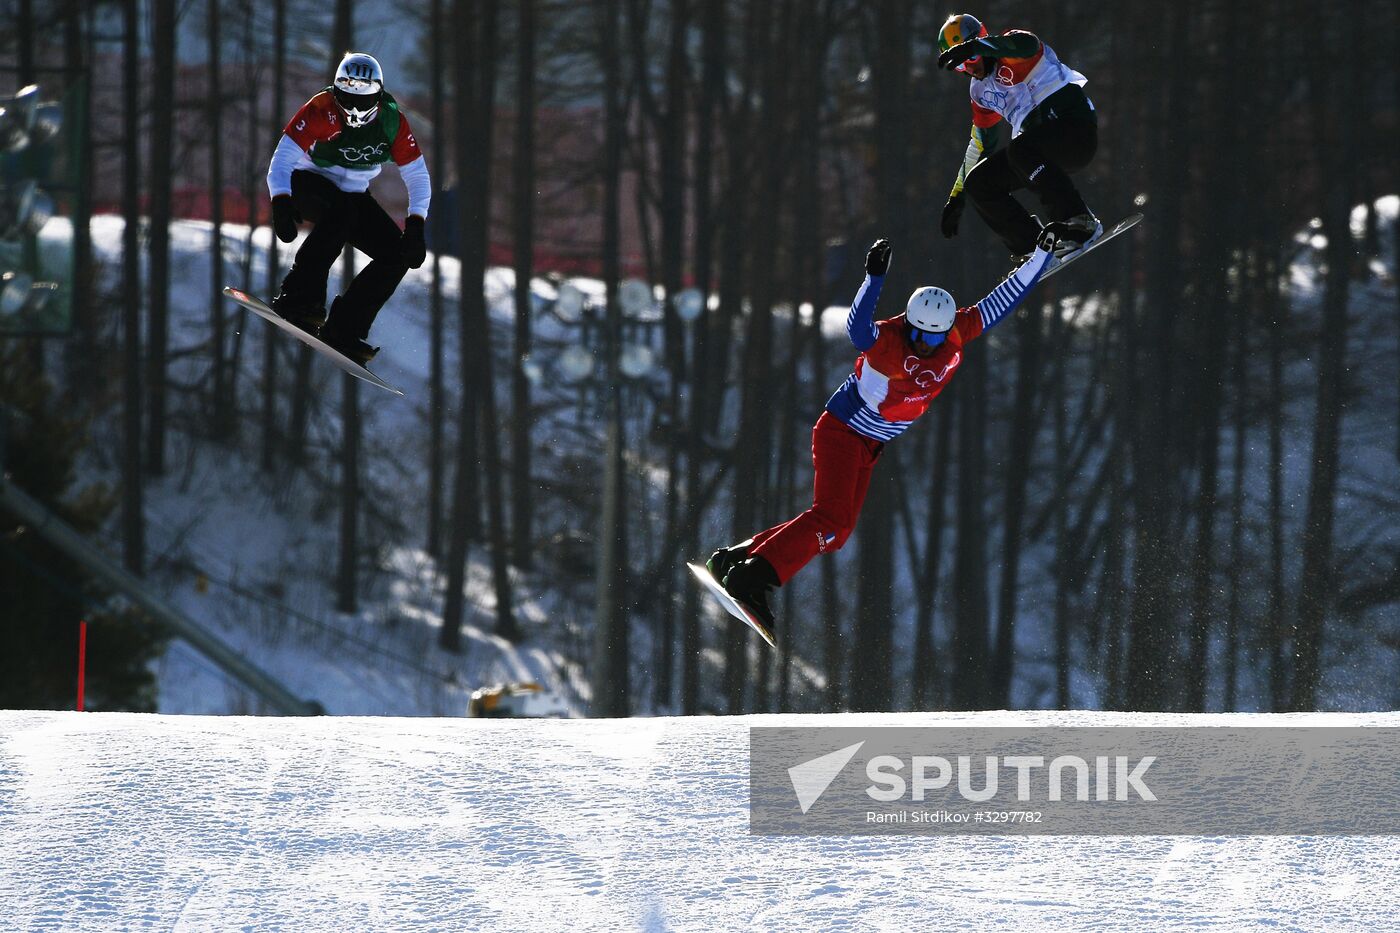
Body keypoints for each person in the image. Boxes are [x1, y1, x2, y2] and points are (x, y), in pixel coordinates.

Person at [707, 227, 1060, 629]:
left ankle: (737, 559)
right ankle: (753, 579)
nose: (924, 345)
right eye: (918, 335)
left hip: (869, 444)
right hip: (844, 432)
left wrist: (1038, 259)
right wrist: (873, 280)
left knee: (836, 532)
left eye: (933, 339)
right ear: (908, 323)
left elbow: (997, 304)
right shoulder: (890, 340)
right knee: (830, 520)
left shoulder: (957, 331)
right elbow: (858, 328)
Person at [265, 52, 431, 365]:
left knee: (396, 255)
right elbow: (282, 160)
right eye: (347, 99)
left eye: (364, 101)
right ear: (336, 92)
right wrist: (281, 202)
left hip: (353, 194)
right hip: (307, 181)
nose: (354, 110)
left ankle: (345, 329)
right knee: (341, 213)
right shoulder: (319, 109)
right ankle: (299, 300)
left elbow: (418, 176)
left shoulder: (391, 120)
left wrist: (416, 227)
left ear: (378, 97)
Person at [935, 12, 1100, 271]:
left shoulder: (1009, 47)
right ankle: (1035, 250)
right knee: (980, 183)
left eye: (971, 57)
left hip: (1073, 129)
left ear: (982, 41)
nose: (969, 68)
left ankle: (1079, 221)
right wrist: (957, 197)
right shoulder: (979, 92)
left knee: (1020, 149)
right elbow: (980, 145)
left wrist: (976, 46)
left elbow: (1029, 45)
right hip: (1038, 150)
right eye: (960, 65)